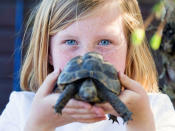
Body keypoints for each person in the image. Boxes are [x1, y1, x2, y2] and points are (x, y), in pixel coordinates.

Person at [0, 0, 175, 131]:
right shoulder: (22, 108)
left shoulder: (154, 109)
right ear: (48, 53)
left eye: (105, 42)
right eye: (70, 41)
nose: (87, 56)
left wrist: (140, 121)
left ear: (129, 52)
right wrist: (39, 125)